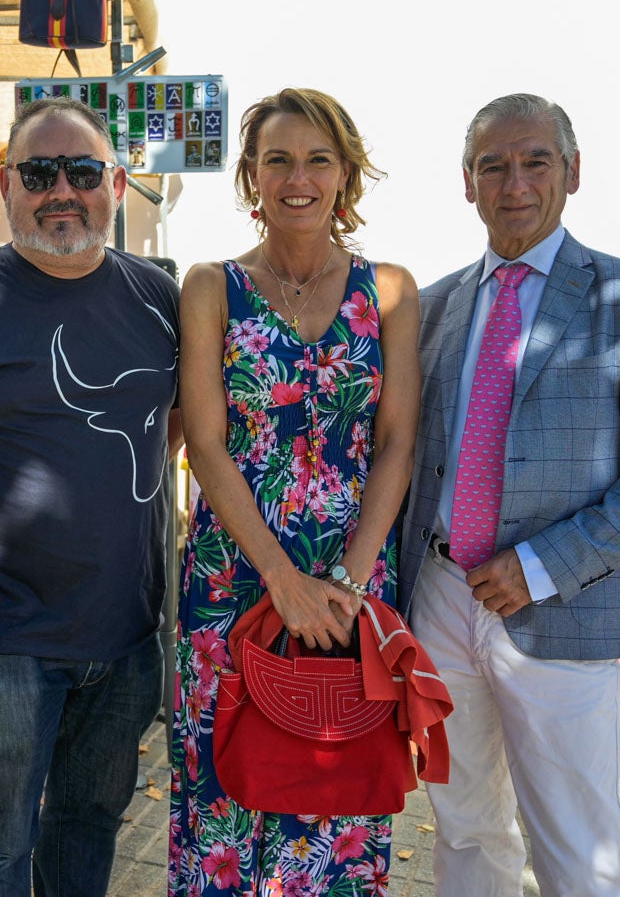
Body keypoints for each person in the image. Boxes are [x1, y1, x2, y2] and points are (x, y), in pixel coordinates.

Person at [397, 93, 620, 896]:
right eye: (492, 165)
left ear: (571, 172)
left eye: (535, 160)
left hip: (560, 606)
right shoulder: (432, 307)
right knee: (463, 827)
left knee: (579, 844)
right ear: (466, 182)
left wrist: (540, 565)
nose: (515, 182)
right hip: (437, 596)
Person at [0, 95, 180, 897]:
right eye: (38, 171)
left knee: (87, 827)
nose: (61, 189)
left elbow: (170, 425)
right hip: (3, 640)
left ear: (118, 184)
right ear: (6, 185)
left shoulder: (159, 300)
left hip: (126, 636)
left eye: (83, 170)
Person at [168, 88, 419, 895]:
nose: (297, 177)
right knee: (223, 791)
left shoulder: (388, 291)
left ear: (345, 175)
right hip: (233, 576)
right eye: (277, 159)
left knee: (338, 787)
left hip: (353, 580)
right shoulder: (211, 286)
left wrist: (344, 584)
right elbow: (204, 445)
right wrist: (282, 578)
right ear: (250, 175)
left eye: (318, 159)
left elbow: (395, 443)